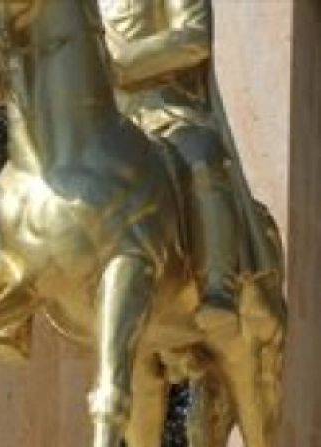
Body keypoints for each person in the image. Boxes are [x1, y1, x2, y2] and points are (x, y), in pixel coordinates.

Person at [98, 0, 252, 329]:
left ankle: (218, 285)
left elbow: (193, 37)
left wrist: (120, 67)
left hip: (165, 113)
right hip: (103, 126)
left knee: (203, 160)